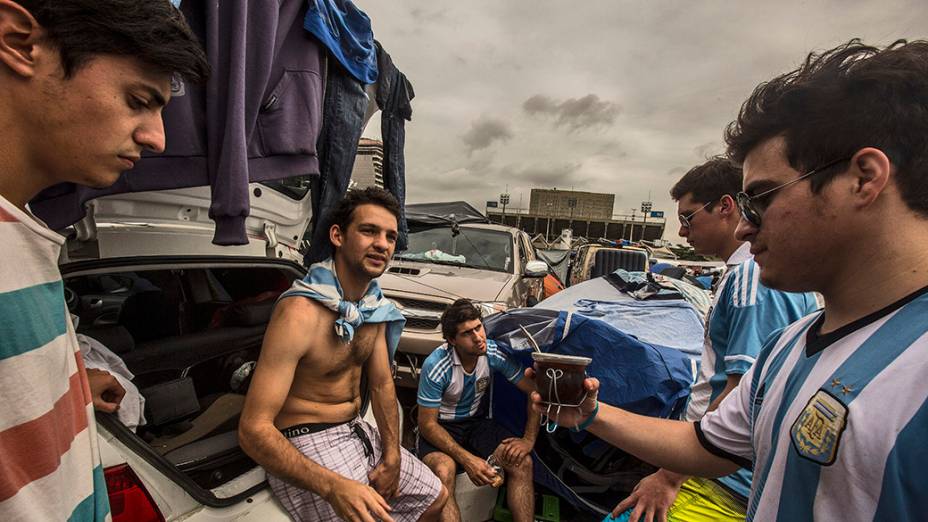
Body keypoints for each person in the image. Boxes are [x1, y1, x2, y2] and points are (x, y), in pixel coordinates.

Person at [531, 39, 928, 521]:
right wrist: (588, 413)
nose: (744, 226)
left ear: (863, 179)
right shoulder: (790, 346)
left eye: (761, 198)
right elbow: (706, 444)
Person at [0, 1, 207, 520]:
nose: (157, 137)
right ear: (22, 43)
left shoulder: (26, 238)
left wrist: (68, 386)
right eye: (138, 100)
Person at [611, 158, 818, 522]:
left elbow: (741, 392)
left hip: (721, 477)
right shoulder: (756, 276)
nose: (681, 232)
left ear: (725, 207)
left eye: (688, 218)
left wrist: (669, 476)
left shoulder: (751, 279)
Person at [239, 187, 447, 522]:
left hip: (356, 430)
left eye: (390, 237)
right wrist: (334, 487)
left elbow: (381, 386)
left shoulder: (373, 308)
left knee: (435, 496)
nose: (382, 244)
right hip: (306, 442)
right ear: (337, 235)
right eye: (369, 231)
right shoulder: (300, 313)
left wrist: (392, 454)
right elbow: (253, 430)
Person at [416, 299, 539, 522]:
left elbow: (535, 392)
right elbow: (427, 425)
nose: (478, 337)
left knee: (522, 461)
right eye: (467, 333)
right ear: (452, 340)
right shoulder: (436, 365)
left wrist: (528, 439)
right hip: (441, 428)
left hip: (475, 423)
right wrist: (468, 460)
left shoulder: (492, 353)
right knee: (444, 471)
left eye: (478, 327)